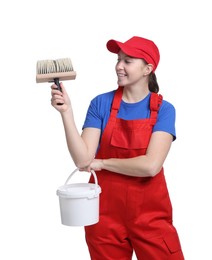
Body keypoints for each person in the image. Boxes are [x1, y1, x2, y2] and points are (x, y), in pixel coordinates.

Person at [51, 36, 184, 260]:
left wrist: (102, 163)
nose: (119, 66)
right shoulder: (100, 104)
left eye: (128, 61)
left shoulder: (163, 110)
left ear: (147, 69)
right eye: (118, 59)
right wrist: (66, 113)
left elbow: (151, 166)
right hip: (104, 216)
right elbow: (83, 160)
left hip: (150, 216)